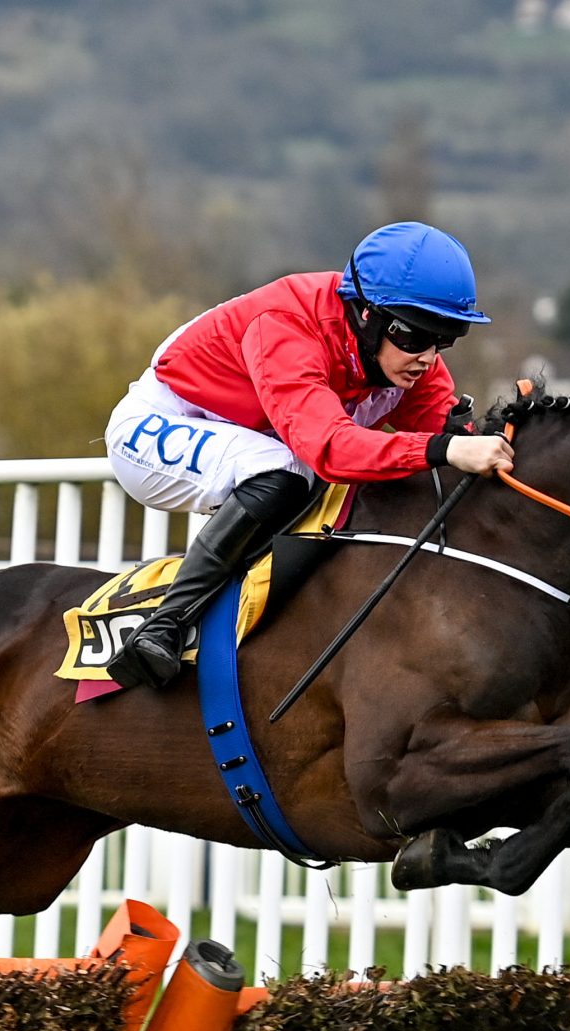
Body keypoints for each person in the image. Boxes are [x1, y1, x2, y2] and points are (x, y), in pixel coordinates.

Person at [101, 221, 515, 689]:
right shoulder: (287, 327)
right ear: (366, 316)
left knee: (360, 472)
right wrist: (446, 447)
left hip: (260, 435)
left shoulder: (402, 360)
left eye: (443, 339)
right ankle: (166, 624)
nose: (427, 357)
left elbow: (447, 436)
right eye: (415, 337)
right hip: (162, 425)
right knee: (290, 471)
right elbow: (331, 450)